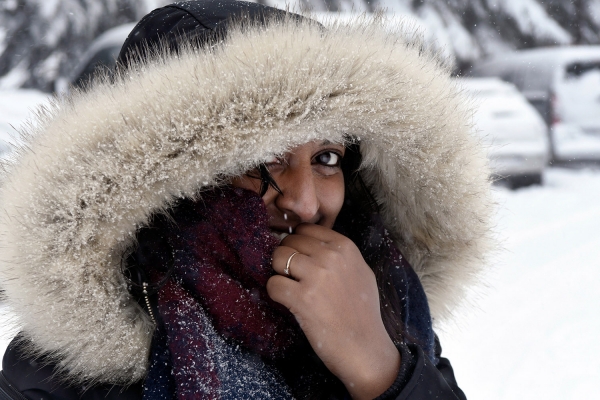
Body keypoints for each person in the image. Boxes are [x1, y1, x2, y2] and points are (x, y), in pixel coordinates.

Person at [0, 1, 494, 399]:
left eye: (326, 157)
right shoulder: (63, 375)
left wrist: (383, 370)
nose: (303, 203)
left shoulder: (383, 302)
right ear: (163, 181)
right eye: (265, 159)